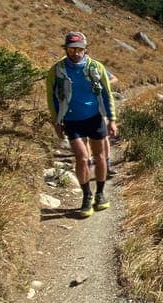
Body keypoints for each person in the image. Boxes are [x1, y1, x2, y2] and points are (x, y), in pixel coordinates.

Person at [46, 32, 118, 217]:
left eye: (79, 49)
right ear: (66, 49)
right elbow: (51, 97)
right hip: (72, 119)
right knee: (82, 157)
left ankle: (100, 194)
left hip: (94, 117)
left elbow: (106, 94)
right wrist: (56, 121)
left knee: (100, 157)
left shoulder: (96, 67)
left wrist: (112, 119)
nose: (76, 53)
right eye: (71, 49)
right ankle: (87, 195)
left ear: (86, 49)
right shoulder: (57, 70)